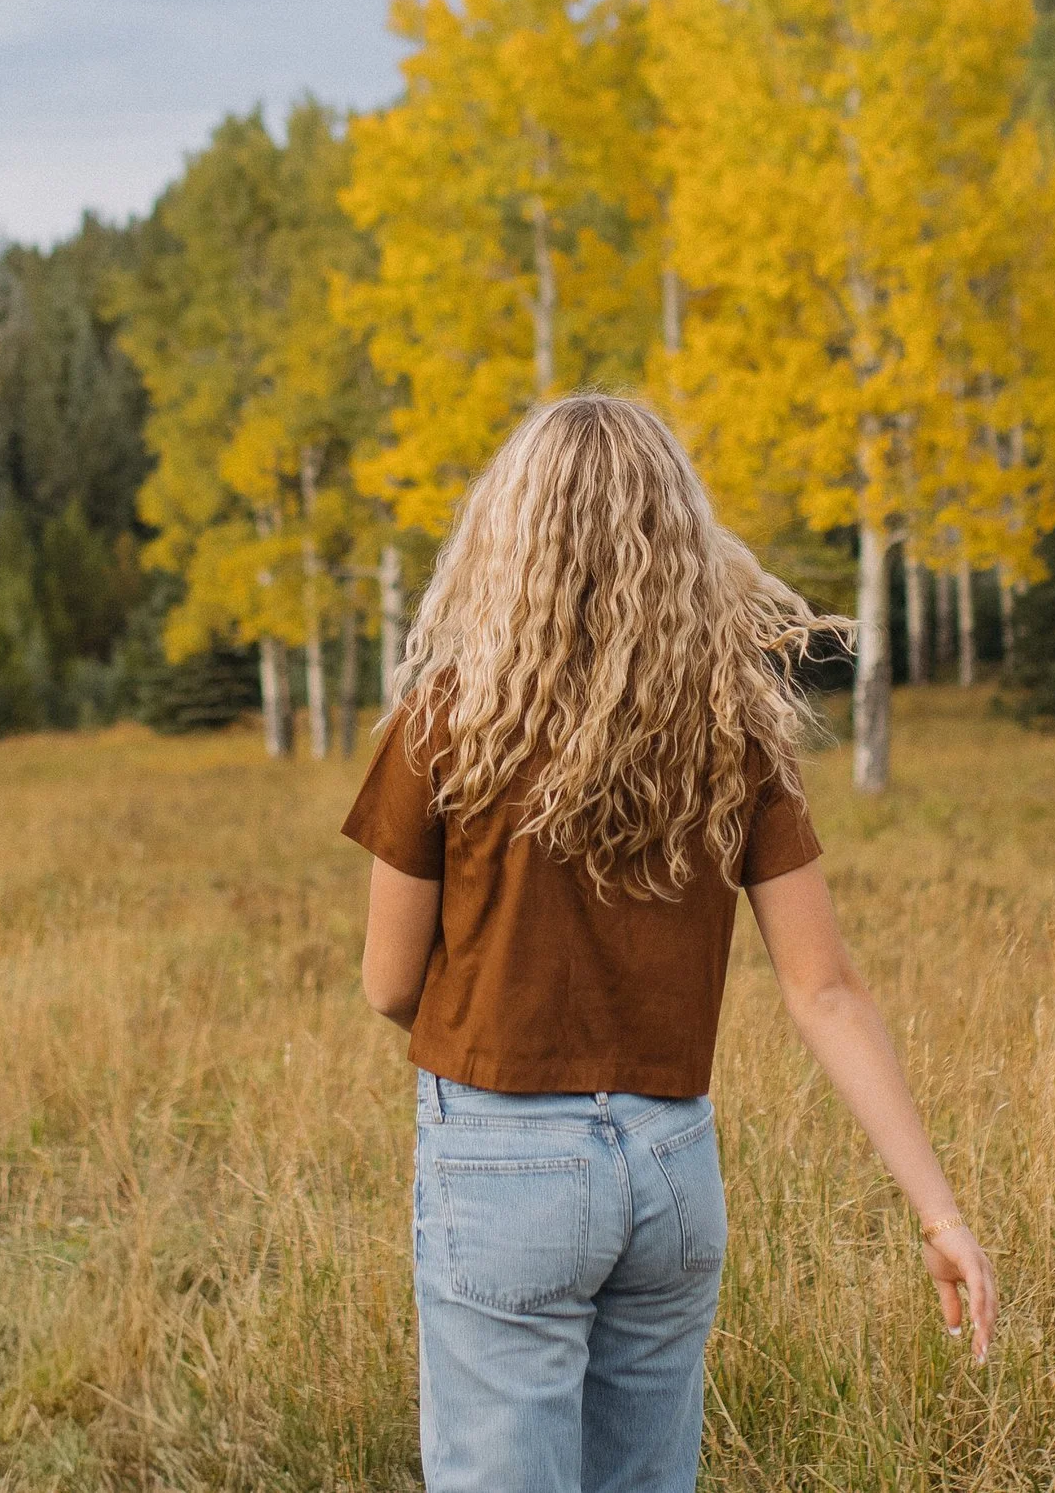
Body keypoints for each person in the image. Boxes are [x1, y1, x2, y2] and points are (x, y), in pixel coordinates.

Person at [341, 394, 997, 1493]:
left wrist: (502, 1016)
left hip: (501, 1158)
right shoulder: (733, 729)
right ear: (681, 543)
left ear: (508, 535)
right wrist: (940, 1211)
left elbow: (386, 982)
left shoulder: (443, 720)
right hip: (670, 1171)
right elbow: (825, 988)